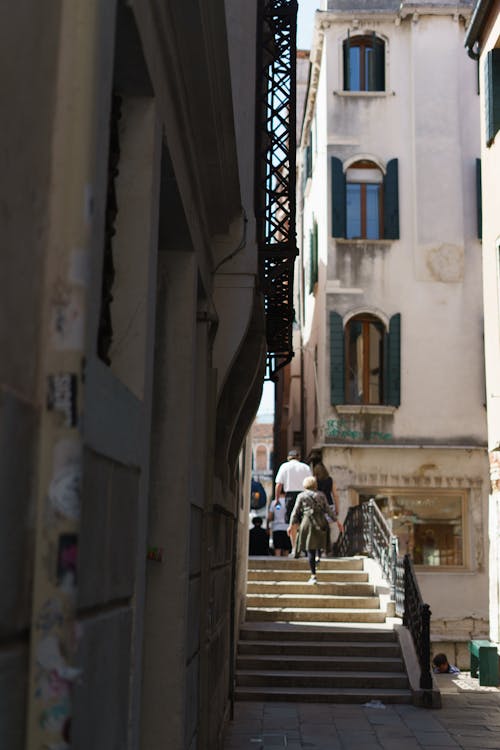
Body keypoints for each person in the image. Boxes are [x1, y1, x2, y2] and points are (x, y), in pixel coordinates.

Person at [287, 476, 340, 584]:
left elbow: (295, 512)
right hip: (321, 521)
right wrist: (337, 521)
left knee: (310, 548)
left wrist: (291, 525)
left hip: (308, 522)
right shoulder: (321, 495)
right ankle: (318, 556)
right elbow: (328, 510)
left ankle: (313, 575)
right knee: (319, 543)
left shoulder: (301, 496)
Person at [274, 448, 312, 551]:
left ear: (288, 458)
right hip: (304, 495)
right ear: (298, 457)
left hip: (290, 496)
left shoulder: (284, 466)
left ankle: (294, 547)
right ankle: (303, 547)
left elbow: (278, 485)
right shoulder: (305, 467)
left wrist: (277, 499)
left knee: (293, 522)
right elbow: (312, 483)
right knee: (304, 521)